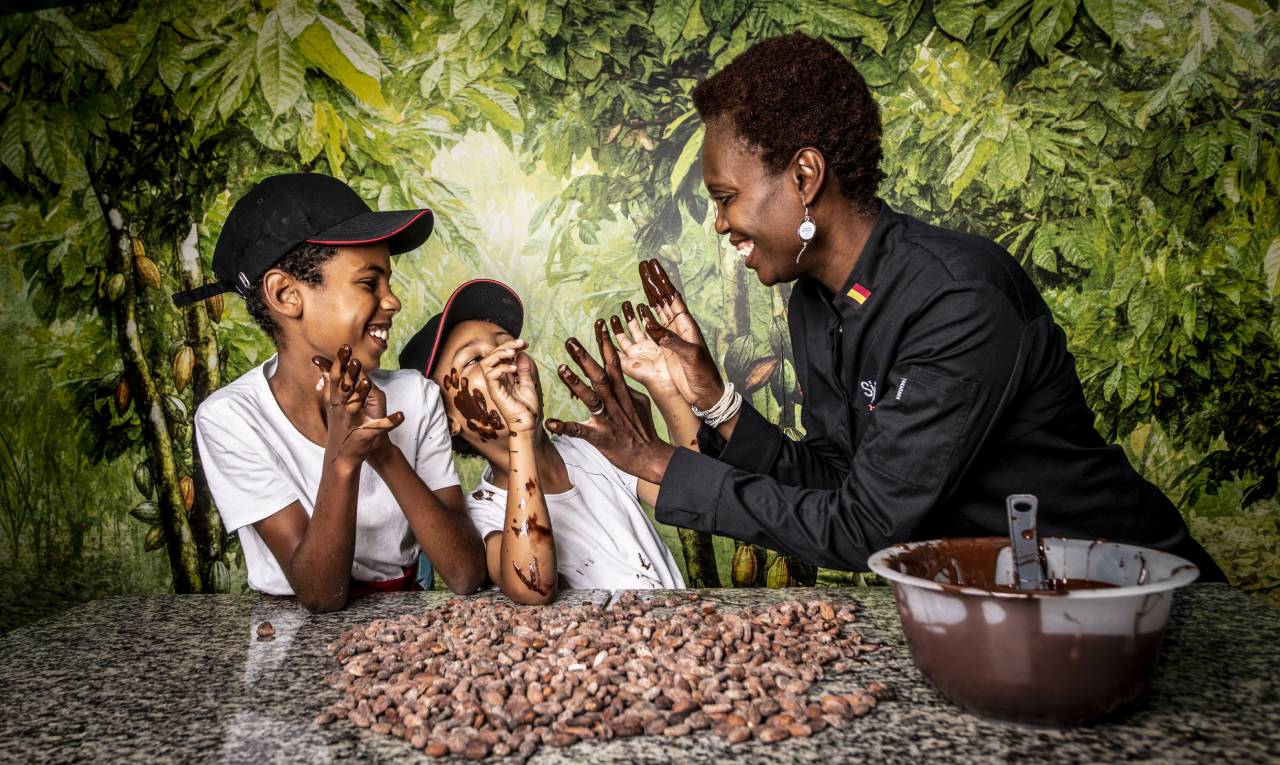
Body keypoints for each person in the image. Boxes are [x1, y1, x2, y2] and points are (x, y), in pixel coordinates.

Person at [543, 33, 1224, 580]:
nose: (720, 224)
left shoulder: (957, 300)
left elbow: (865, 525)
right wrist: (715, 400)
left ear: (805, 177)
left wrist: (657, 461)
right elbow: (838, 477)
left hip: (1134, 596)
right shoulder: (817, 303)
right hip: (1020, 604)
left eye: (725, 197)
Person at [173, 173, 487, 612]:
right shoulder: (231, 419)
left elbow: (468, 572)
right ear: (286, 294)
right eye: (368, 283)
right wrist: (344, 458)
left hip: (406, 623)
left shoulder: (416, 397)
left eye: (389, 283)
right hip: (289, 632)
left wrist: (383, 450)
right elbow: (320, 594)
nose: (392, 301)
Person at [397, 279, 685, 604]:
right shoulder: (481, 513)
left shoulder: (594, 447)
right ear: (447, 421)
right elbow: (533, 587)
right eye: (474, 360)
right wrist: (520, 430)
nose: (501, 356)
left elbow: (691, 496)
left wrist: (669, 388)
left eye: (506, 343)